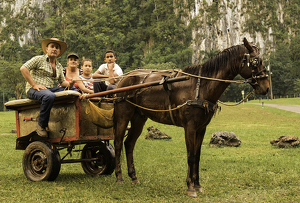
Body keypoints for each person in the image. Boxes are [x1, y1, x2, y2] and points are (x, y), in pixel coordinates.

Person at [20, 38, 76, 138]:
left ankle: (66, 120)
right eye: (52, 46)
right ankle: (41, 126)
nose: (54, 49)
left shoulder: (58, 66)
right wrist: (34, 85)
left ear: (59, 51)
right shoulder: (38, 59)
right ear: (47, 49)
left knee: (73, 90)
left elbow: (62, 82)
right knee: (49, 96)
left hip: (48, 89)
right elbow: (23, 68)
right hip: (33, 90)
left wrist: (70, 84)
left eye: (57, 47)